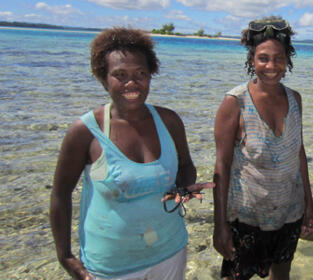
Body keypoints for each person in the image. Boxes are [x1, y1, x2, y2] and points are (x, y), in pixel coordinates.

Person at [49, 27, 213, 280]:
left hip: (170, 250)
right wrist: (65, 256)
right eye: (120, 75)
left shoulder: (169, 121)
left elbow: (185, 165)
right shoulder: (85, 131)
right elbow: (60, 194)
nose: (132, 82)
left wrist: (182, 189)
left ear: (151, 75)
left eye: (141, 73)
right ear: (103, 79)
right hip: (111, 265)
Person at [212, 16, 313, 280]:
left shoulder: (295, 99)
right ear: (251, 60)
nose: (271, 66)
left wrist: (309, 205)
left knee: (281, 275)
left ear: (288, 59)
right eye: (263, 58)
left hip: (289, 212)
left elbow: (299, 153)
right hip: (247, 217)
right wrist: (220, 225)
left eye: (279, 58)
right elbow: (221, 166)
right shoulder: (235, 102)